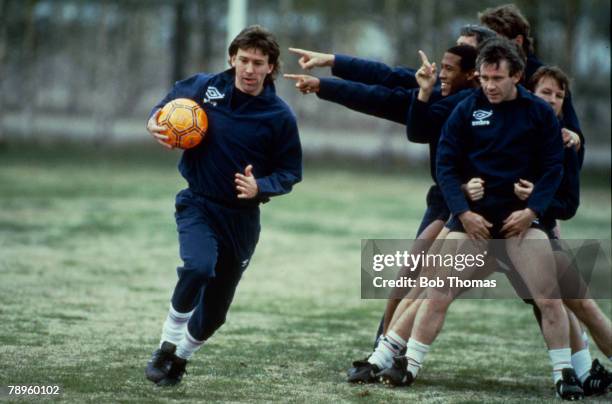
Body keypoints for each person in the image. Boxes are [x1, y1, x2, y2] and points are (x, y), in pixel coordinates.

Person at [376, 37, 584, 400]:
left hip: (520, 224)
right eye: (485, 77)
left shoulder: (537, 113)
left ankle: (564, 373)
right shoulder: (467, 107)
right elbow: (445, 163)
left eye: (497, 78)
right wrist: (463, 212)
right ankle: (407, 365)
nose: (490, 85)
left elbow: (554, 168)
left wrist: (533, 210)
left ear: (517, 75)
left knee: (549, 299)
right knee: (435, 294)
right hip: (472, 222)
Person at [143, 25, 302, 387]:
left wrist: (261, 185)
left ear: (270, 67)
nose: (249, 69)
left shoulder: (279, 116)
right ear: (232, 58)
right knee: (198, 267)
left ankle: (180, 360)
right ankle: (165, 347)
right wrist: (153, 120)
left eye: (258, 62)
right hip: (197, 203)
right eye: (243, 60)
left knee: (214, 313)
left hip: (242, 219)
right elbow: (167, 103)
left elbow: (291, 171)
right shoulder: (204, 87)